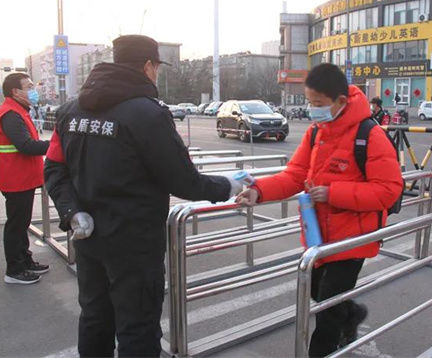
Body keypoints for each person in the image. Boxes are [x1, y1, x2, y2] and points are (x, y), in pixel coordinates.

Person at [44, 35, 244, 357]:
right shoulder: (148, 114)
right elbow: (183, 180)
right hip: (133, 245)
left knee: (95, 318)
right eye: (157, 68)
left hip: (88, 238)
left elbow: (54, 169)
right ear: (149, 66)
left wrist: (71, 212)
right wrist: (228, 186)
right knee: (137, 327)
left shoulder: (70, 112)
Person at [237, 63, 402, 357]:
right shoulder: (317, 133)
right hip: (318, 237)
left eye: (318, 104)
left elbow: (388, 190)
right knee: (318, 293)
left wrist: (332, 193)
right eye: (310, 103)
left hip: (354, 239)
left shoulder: (370, 135)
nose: (313, 111)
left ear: (340, 101)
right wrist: (258, 191)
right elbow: (294, 175)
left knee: (325, 314)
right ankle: (351, 316)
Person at [0, 73, 50, 284]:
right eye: (29, 86)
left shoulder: (19, 110)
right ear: (15, 91)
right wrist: (57, 145)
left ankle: (25, 260)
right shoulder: (10, 114)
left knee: (22, 222)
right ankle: (14, 270)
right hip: (15, 178)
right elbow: (25, 146)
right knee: (16, 225)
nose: (33, 90)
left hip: (22, 176)